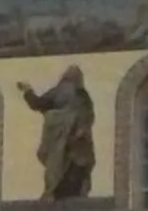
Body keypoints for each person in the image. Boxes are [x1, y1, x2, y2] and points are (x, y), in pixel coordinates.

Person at [17, 65, 96, 199]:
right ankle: (63, 191)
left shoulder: (60, 92)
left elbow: (38, 103)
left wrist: (28, 90)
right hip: (66, 136)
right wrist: (81, 129)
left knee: (60, 164)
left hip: (63, 136)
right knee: (68, 163)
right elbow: (88, 114)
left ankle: (55, 191)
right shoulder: (80, 94)